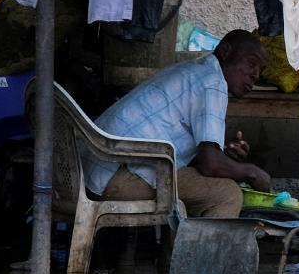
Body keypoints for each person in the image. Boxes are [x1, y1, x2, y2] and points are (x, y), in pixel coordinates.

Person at [89, 29, 271, 219]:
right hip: (117, 178)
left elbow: (203, 157)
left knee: (198, 186)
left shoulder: (190, 70)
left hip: (94, 173)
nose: (256, 75)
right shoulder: (212, 82)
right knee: (227, 194)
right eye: (251, 63)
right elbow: (211, 166)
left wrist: (222, 153)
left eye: (261, 71)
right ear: (225, 52)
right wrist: (252, 172)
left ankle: (182, 244)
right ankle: (200, 249)